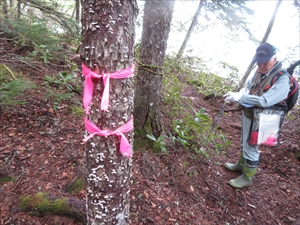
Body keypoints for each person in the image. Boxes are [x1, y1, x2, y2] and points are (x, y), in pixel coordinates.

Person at [223, 42, 290, 188]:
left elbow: (265, 101)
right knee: (244, 141)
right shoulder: (259, 72)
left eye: (264, 62)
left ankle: (247, 178)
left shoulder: (282, 79)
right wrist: (243, 92)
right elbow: (249, 86)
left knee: (252, 146)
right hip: (250, 113)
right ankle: (241, 165)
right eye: (258, 63)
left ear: (275, 58)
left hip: (266, 119)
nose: (260, 66)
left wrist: (241, 97)